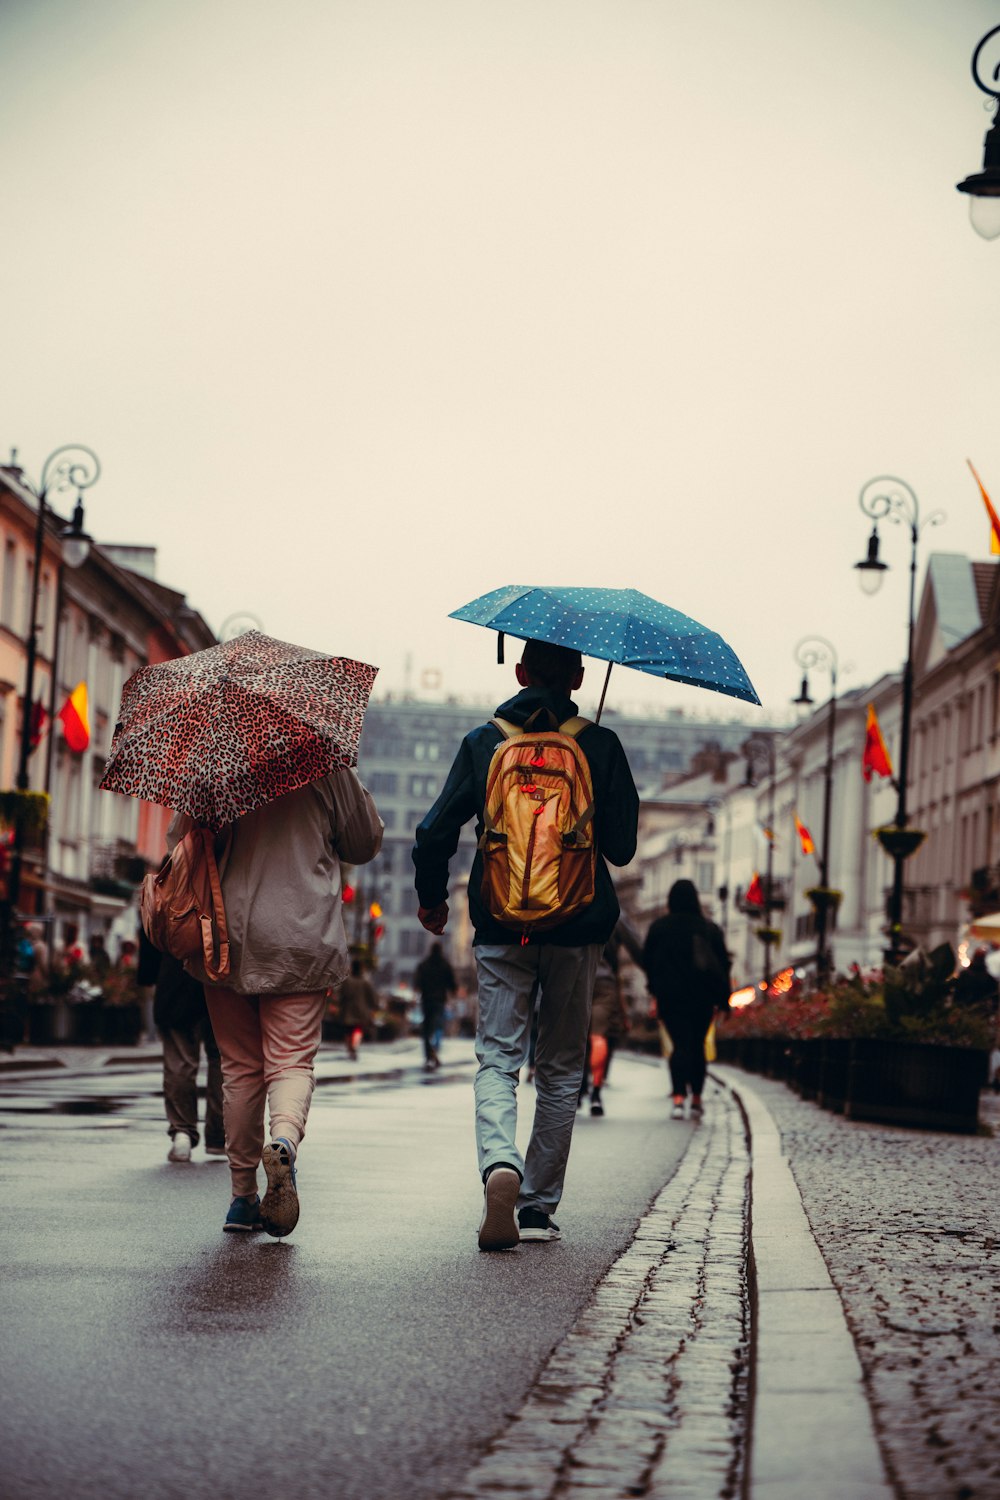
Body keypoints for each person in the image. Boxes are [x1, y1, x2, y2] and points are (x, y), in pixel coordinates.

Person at [413, 637, 639, 1251]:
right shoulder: (600, 744)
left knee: (498, 1059)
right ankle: (537, 1208)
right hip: (578, 927)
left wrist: (432, 899)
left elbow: (434, 832)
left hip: (501, 924)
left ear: (519, 671)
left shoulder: (484, 742)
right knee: (562, 1068)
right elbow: (620, 848)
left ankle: (499, 1166)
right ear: (580, 676)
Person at [172, 767, 383, 1237]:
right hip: (300, 935)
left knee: (240, 1067)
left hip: (226, 936)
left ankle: (242, 1197)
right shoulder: (323, 764)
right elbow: (364, 843)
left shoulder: (215, 763)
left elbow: (180, 839)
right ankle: (283, 1140)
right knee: (290, 1061)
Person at [642, 878, 731, 1120]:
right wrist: (724, 1001)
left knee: (680, 1045)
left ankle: (679, 1098)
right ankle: (697, 1099)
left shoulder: (659, 928)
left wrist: (654, 991)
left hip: (670, 997)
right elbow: (722, 965)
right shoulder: (709, 929)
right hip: (703, 998)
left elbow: (647, 961)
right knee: (698, 1045)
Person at [139, 930, 226, 1163]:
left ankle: (182, 1133)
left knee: (180, 1058)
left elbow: (152, 921)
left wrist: (148, 973)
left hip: (177, 974)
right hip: (224, 974)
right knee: (224, 1058)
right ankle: (219, 1134)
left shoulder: (170, 890)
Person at [582, 919, 642, 1117]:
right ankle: (596, 1092)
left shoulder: (569, 897)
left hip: (576, 978)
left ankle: (579, 1085)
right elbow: (636, 946)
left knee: (577, 1036)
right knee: (599, 1037)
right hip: (605, 980)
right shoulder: (614, 911)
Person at [414, 941, 457, 1070]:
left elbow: (417, 982)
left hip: (426, 999)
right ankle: (435, 1049)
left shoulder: (424, 965)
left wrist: (419, 990)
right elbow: (452, 983)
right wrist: (453, 992)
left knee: (426, 1028)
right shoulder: (445, 965)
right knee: (438, 1026)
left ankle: (429, 1054)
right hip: (439, 1000)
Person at [337, 957, 378, 1060]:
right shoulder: (365, 982)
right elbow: (372, 997)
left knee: (348, 1031)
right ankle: (355, 1046)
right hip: (361, 1012)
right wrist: (374, 1007)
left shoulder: (347, 981)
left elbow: (341, 994)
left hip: (347, 1011)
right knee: (358, 1030)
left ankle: (350, 1047)